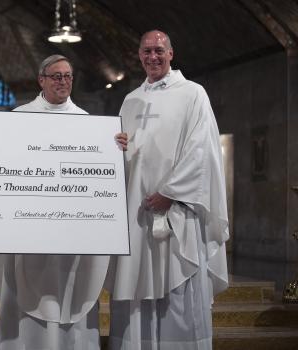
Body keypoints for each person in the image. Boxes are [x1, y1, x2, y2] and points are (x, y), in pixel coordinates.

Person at [109, 30, 229, 349]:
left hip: (178, 211)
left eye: (159, 50)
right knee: (138, 287)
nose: (153, 57)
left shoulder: (192, 94)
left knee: (178, 288)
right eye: (147, 51)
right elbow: (129, 151)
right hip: (138, 215)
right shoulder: (131, 99)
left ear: (171, 54)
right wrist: (118, 146)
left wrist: (170, 193)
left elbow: (201, 151)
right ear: (139, 55)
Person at [0, 55, 109, 350]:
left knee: (71, 291)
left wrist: (115, 150)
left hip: (71, 235)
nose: (63, 82)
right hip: (29, 232)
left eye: (68, 76)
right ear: (42, 80)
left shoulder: (89, 123)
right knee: (25, 294)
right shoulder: (19, 117)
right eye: (56, 76)